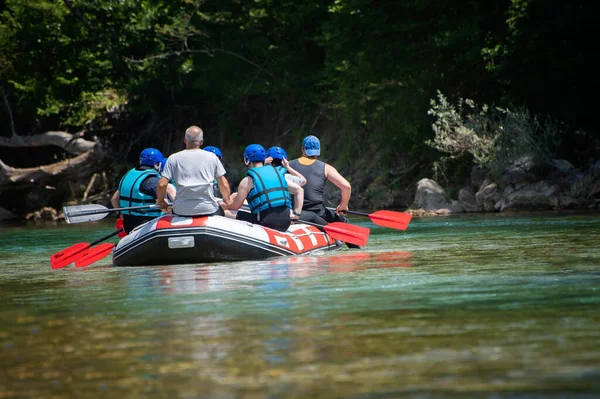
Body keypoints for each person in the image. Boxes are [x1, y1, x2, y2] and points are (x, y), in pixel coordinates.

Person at [224, 144, 304, 232]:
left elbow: (235, 207)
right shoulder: (278, 174)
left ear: (246, 160)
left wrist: (224, 205)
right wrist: (296, 214)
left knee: (227, 212)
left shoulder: (247, 180)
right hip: (286, 222)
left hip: (266, 222)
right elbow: (299, 190)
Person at [156, 126, 231, 216]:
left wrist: (161, 201)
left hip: (181, 209)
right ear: (201, 142)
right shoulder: (212, 157)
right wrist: (227, 200)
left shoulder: (173, 158)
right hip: (207, 208)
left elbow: (162, 184)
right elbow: (224, 184)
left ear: (184, 140)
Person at [288, 135, 352, 226]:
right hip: (318, 213)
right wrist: (343, 206)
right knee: (344, 222)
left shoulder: (288, 165)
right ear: (318, 151)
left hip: (296, 212)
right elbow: (347, 187)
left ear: (302, 149)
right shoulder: (325, 168)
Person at [111, 148, 176, 233]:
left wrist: (121, 214)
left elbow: (114, 199)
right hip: (146, 226)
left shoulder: (129, 176)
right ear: (157, 164)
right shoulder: (153, 181)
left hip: (128, 225)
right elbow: (164, 208)